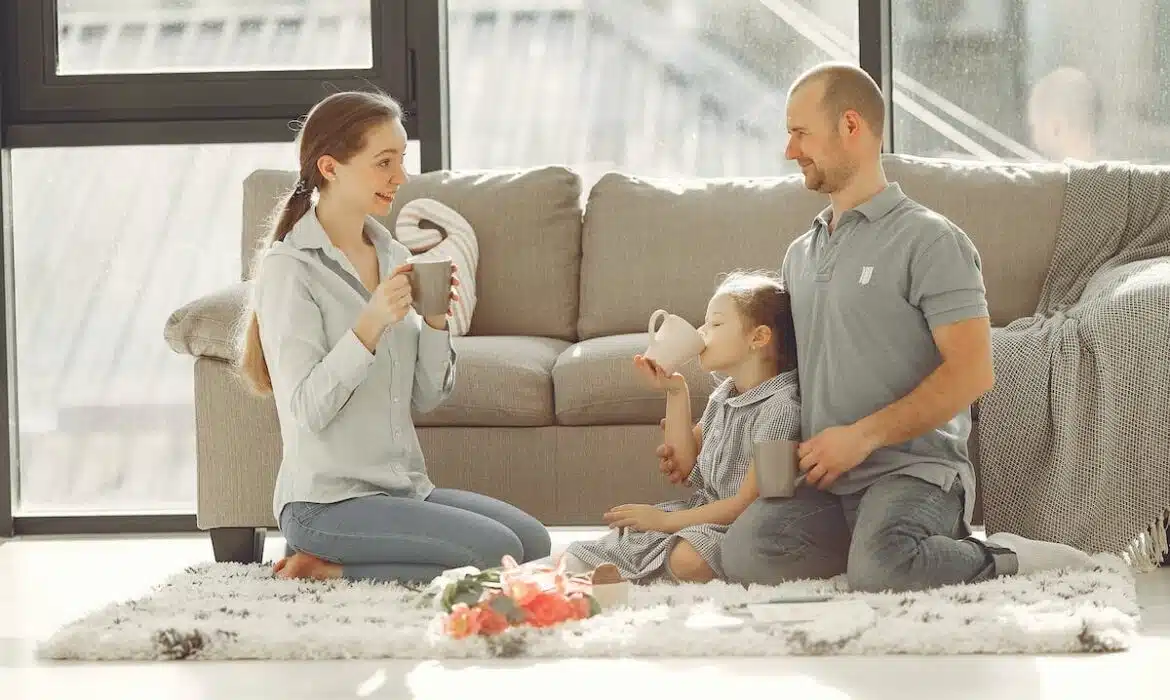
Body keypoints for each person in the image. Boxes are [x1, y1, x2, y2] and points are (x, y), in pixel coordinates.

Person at [689, 62, 1097, 592]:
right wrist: (696, 423)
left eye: (801, 133)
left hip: (915, 472)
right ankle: (880, 549)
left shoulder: (931, 241)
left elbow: (973, 373)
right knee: (745, 553)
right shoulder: (799, 255)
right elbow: (783, 378)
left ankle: (1003, 556)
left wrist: (861, 438)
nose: (790, 150)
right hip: (827, 480)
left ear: (850, 126)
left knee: (882, 569)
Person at [237, 91, 550, 584]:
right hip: (326, 503)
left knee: (532, 543)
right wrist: (370, 323)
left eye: (401, 160)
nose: (400, 177)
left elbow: (425, 397)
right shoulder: (290, 269)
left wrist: (436, 322)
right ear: (330, 167)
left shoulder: (394, 256)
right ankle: (327, 569)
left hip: (401, 490)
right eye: (384, 162)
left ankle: (339, 563)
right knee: (498, 550)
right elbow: (308, 408)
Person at [563, 271, 802, 583]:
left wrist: (665, 521)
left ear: (758, 338)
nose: (702, 332)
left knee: (688, 557)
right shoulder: (725, 395)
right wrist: (676, 391)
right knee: (639, 531)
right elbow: (686, 466)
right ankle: (598, 568)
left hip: (746, 525)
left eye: (715, 324)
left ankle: (629, 571)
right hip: (707, 511)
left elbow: (752, 504)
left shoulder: (781, 409)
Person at [1027, 66, 1101, 162]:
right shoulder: (1115, 169)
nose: (1035, 140)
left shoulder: (1049, 172)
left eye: (1035, 126)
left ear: (1056, 128)